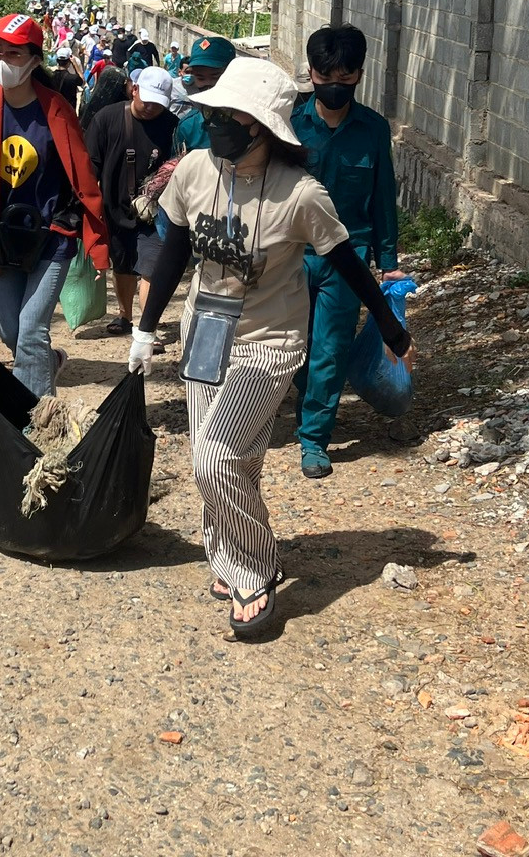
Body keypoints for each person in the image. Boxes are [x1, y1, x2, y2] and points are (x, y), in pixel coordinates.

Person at [126, 58, 414, 635]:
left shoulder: (301, 194)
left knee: (215, 457)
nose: (215, 124)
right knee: (231, 456)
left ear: (262, 126)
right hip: (205, 331)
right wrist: (145, 328)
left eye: (230, 116)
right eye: (213, 113)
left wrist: (391, 328)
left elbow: (347, 263)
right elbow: (175, 251)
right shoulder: (194, 170)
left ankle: (254, 567)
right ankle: (226, 547)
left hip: (268, 340)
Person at [0, 13, 110, 397]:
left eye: (14, 54)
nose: (2, 61)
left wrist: (97, 244)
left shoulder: (56, 110)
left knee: (32, 330)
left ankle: (36, 418)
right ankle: (47, 363)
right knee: (10, 330)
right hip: (6, 237)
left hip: (52, 236)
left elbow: (84, 178)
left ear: (35, 59)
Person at [291, 24, 403, 480]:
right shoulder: (290, 124)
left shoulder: (373, 129)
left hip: (349, 256)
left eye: (345, 77)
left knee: (331, 347)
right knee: (295, 345)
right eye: (325, 76)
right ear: (311, 72)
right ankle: (305, 401)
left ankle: (314, 438)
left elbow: (383, 198)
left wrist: (389, 263)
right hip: (293, 252)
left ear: (359, 74)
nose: (334, 86)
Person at [86, 67, 177, 335]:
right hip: (114, 208)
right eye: (147, 100)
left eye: (158, 104)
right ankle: (125, 316)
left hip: (155, 212)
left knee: (151, 268)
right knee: (123, 265)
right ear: (134, 90)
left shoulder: (172, 125)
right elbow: (90, 166)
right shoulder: (107, 118)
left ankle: (148, 329)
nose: (150, 108)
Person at [173, 36, 237, 151]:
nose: (208, 84)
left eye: (215, 77)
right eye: (201, 78)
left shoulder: (250, 120)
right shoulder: (188, 127)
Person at [50, 45, 83, 110]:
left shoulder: (51, 76)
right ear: (69, 62)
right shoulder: (73, 78)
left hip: (55, 108)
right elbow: (82, 80)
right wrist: (75, 64)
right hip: (69, 110)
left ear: (57, 61)